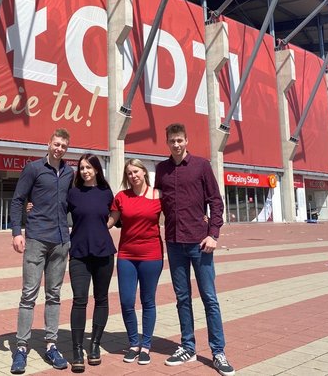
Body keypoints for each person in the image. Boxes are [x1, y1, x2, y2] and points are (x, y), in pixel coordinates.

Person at [155, 123, 235, 376]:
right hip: (174, 242)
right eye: (172, 141)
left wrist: (213, 234)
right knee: (182, 298)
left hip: (200, 244)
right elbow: (156, 203)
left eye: (180, 140)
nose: (176, 144)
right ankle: (187, 346)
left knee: (209, 298)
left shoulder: (201, 166)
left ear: (187, 140)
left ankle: (218, 351)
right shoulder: (161, 170)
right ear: (167, 142)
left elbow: (215, 201)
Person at [9, 128, 74, 374]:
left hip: (60, 241)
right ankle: (22, 348)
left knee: (54, 295)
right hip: (36, 238)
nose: (59, 148)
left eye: (63, 146)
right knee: (29, 294)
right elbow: (17, 199)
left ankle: (51, 344)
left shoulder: (70, 173)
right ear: (48, 143)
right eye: (56, 144)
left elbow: (75, 201)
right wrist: (17, 232)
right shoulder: (34, 169)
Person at [108, 159, 163, 366]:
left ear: (144, 172)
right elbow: (110, 221)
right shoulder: (122, 197)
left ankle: (146, 345)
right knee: (126, 301)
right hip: (126, 256)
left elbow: (174, 215)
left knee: (148, 301)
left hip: (151, 255)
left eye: (136, 171)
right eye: (129, 173)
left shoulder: (158, 195)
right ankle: (133, 343)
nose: (133, 175)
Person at [66, 154, 116, 372]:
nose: (85, 171)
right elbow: (56, 211)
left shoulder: (106, 192)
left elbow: (116, 211)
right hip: (78, 254)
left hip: (104, 253)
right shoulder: (73, 193)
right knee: (79, 300)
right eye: (82, 167)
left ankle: (94, 344)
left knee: (102, 299)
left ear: (96, 170)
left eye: (89, 167)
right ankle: (77, 349)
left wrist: (109, 223)